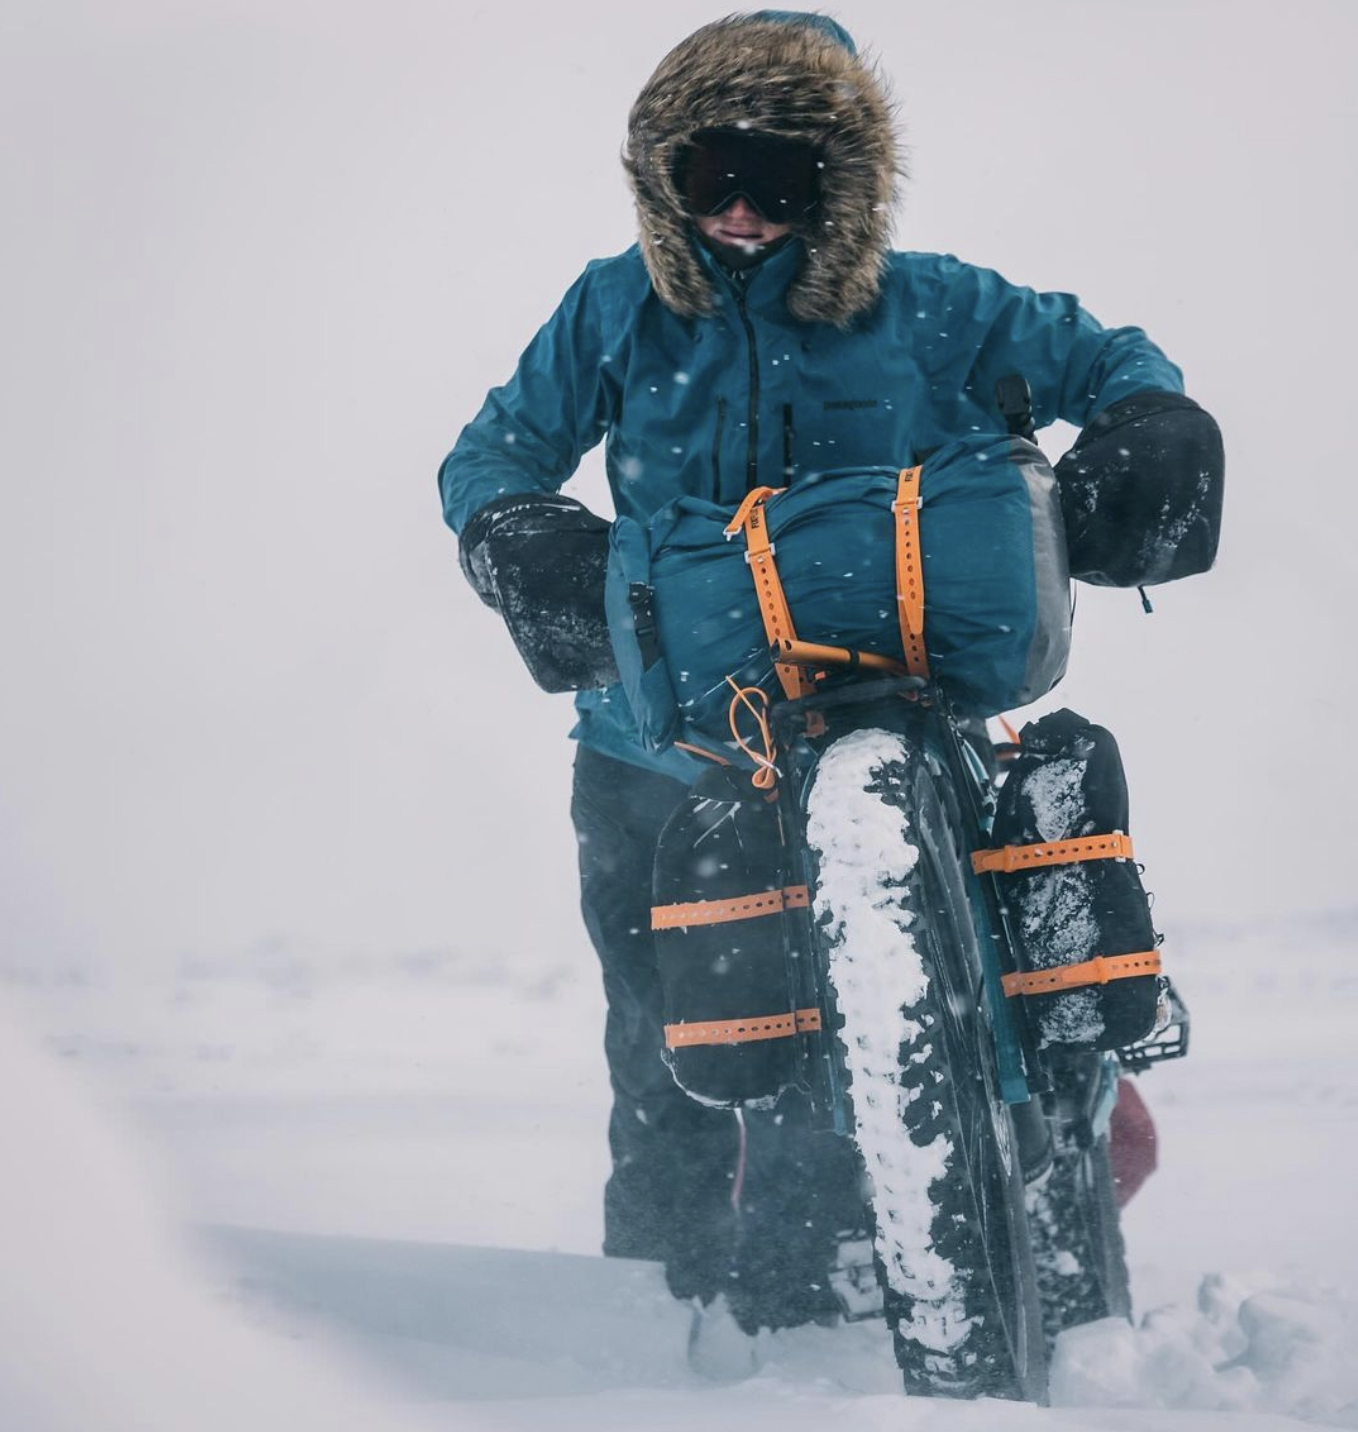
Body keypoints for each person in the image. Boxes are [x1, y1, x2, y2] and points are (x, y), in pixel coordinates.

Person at [439, 11, 1219, 1337]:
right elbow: (492, 457)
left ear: (843, 188)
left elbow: (1112, 366)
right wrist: (522, 538)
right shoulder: (611, 311)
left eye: (780, 181)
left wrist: (1144, 431)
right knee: (672, 1061)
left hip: (895, 728)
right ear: (658, 179)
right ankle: (659, 1347)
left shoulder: (935, 308)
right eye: (706, 177)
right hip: (658, 752)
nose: (738, 214)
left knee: (987, 1030)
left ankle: (980, 1291)